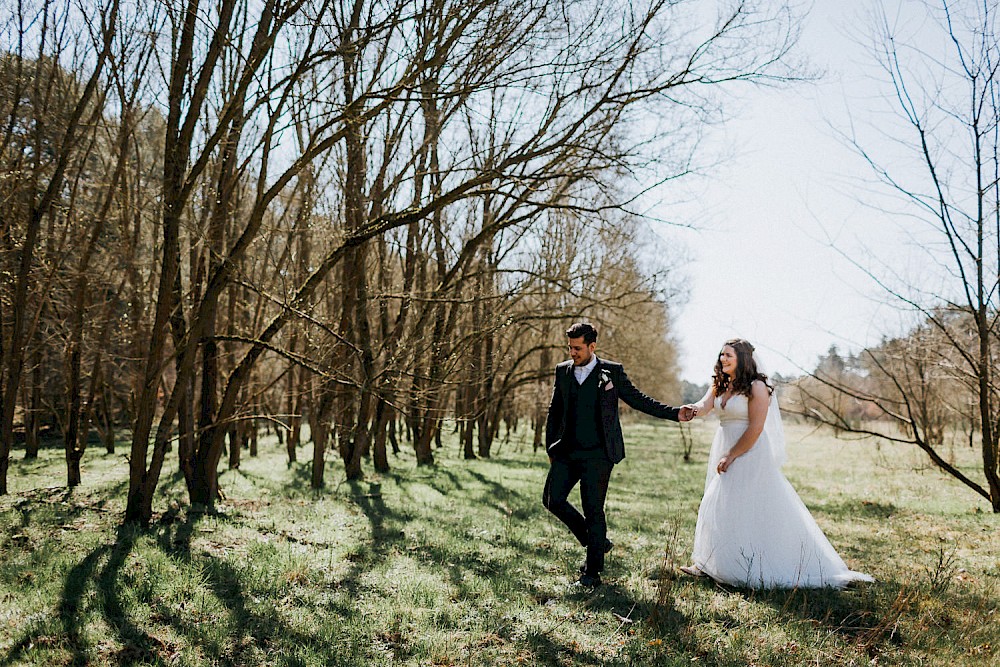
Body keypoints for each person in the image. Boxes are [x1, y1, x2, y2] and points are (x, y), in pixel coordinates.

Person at [679, 338, 874, 589]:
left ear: (742, 358)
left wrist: (732, 455)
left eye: (728, 355)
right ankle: (709, 563)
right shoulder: (720, 383)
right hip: (724, 443)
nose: (722, 359)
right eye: (721, 355)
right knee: (719, 502)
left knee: (742, 507)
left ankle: (742, 567)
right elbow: (705, 405)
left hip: (749, 450)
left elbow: (757, 427)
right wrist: (692, 409)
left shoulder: (757, 386)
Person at [543, 322, 695, 588]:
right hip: (566, 451)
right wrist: (550, 448)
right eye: (570, 347)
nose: (572, 353)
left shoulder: (611, 372)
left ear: (592, 346)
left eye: (578, 348)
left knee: (593, 510)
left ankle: (592, 573)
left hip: (599, 454)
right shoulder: (563, 371)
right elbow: (554, 411)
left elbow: (639, 400)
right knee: (552, 500)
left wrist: (674, 413)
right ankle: (597, 542)